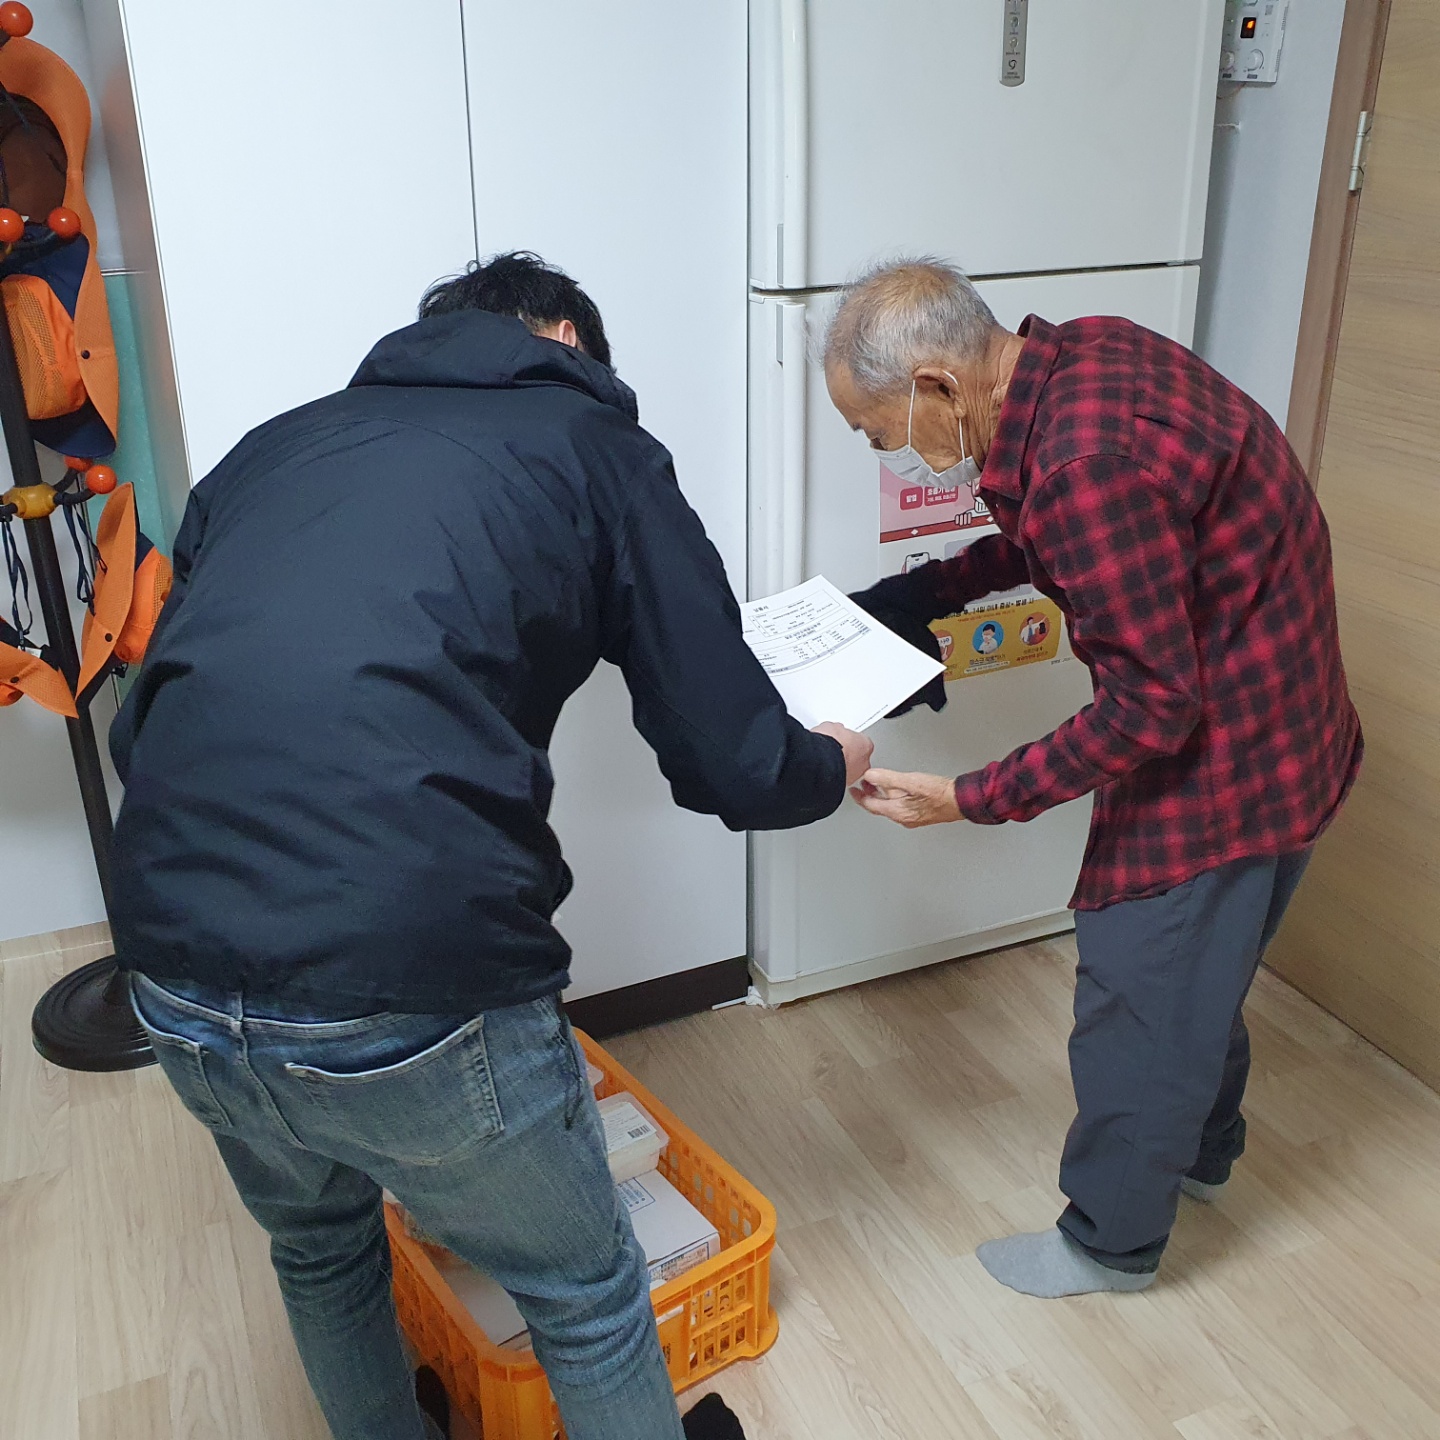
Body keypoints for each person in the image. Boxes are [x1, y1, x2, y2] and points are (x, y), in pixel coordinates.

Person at [109, 251, 873, 1440]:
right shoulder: (599, 448)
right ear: (563, 339)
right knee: (583, 1291)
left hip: (168, 959)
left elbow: (150, 721)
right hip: (405, 974)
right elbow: (734, 761)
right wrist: (829, 762)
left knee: (320, 1250)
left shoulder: (271, 449)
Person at [828, 258, 1361, 1298]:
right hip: (1285, 709)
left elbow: (1154, 704)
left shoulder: (1082, 463)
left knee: (1142, 993)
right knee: (1200, 974)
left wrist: (970, 798)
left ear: (935, 386)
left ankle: (1110, 1244)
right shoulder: (1082, 356)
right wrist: (928, 592)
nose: (887, 452)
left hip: (1231, 751)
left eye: (878, 432)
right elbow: (1071, 530)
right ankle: (1202, 1153)